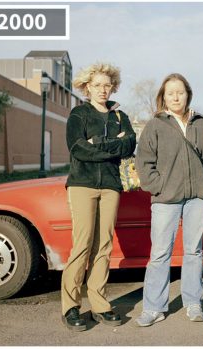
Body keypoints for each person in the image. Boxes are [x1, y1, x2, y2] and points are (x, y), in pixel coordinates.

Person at [134, 73, 203, 327]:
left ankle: (193, 302)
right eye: (170, 92)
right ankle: (154, 307)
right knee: (160, 253)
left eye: (180, 92)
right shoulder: (156, 125)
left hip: (197, 197)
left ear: (188, 95)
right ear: (163, 97)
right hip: (166, 198)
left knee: (193, 251)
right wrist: (158, 186)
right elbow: (144, 161)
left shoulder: (201, 123)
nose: (176, 96)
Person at [62, 63, 136, 331]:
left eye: (107, 85)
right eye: (97, 85)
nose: (103, 90)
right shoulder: (78, 114)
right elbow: (77, 148)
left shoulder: (120, 116)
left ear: (113, 87)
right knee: (82, 244)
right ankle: (70, 306)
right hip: (82, 184)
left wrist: (99, 144)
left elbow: (129, 145)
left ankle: (100, 305)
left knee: (104, 244)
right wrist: (111, 146)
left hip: (111, 185)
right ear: (87, 87)